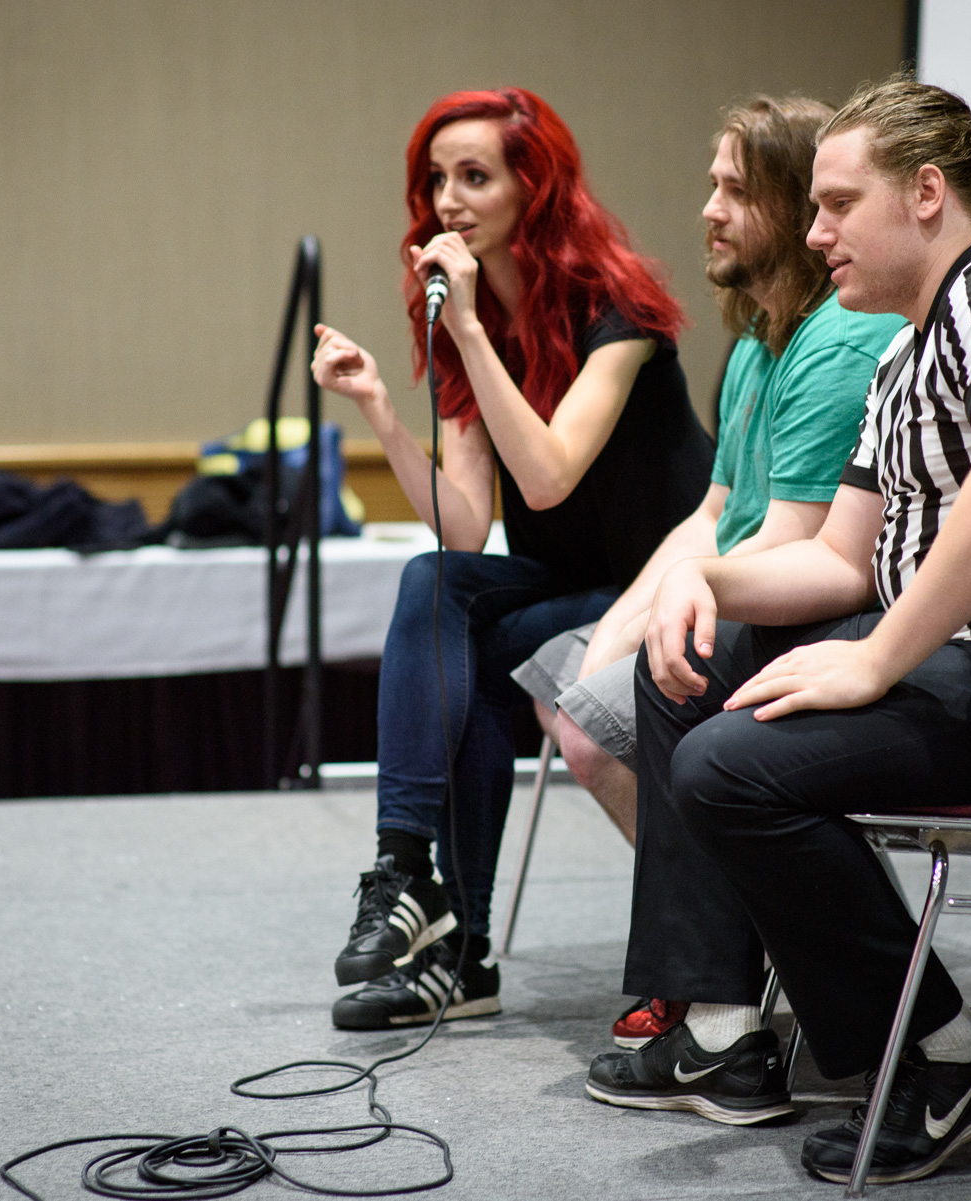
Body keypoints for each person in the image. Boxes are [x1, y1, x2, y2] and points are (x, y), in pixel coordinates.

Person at [585, 76, 971, 1187]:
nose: (815, 233)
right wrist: (703, 582)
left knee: (730, 769)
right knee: (691, 675)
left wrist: (876, 658)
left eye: (837, 205)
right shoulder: (909, 344)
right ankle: (737, 1028)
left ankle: (947, 1052)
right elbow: (839, 560)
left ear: (926, 194)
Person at [309, 87, 713, 1030]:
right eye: (436, 181)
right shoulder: (466, 317)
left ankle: (456, 942)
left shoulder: (616, 307)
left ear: (536, 186)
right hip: (569, 583)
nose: (448, 201)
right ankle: (409, 873)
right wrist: (380, 409)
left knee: (478, 651)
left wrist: (466, 330)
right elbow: (462, 528)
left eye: (474, 177)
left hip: (665, 581)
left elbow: (549, 477)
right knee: (434, 584)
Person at [509, 95, 907, 1050]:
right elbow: (713, 515)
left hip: (815, 612)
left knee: (600, 722)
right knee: (561, 682)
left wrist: (641, 637)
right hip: (750, 590)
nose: (709, 210)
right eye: (712, 185)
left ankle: (725, 970)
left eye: (736, 190)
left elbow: (801, 544)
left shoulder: (838, 343)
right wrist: (616, 631)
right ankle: (728, 946)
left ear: (797, 210)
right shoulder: (757, 340)